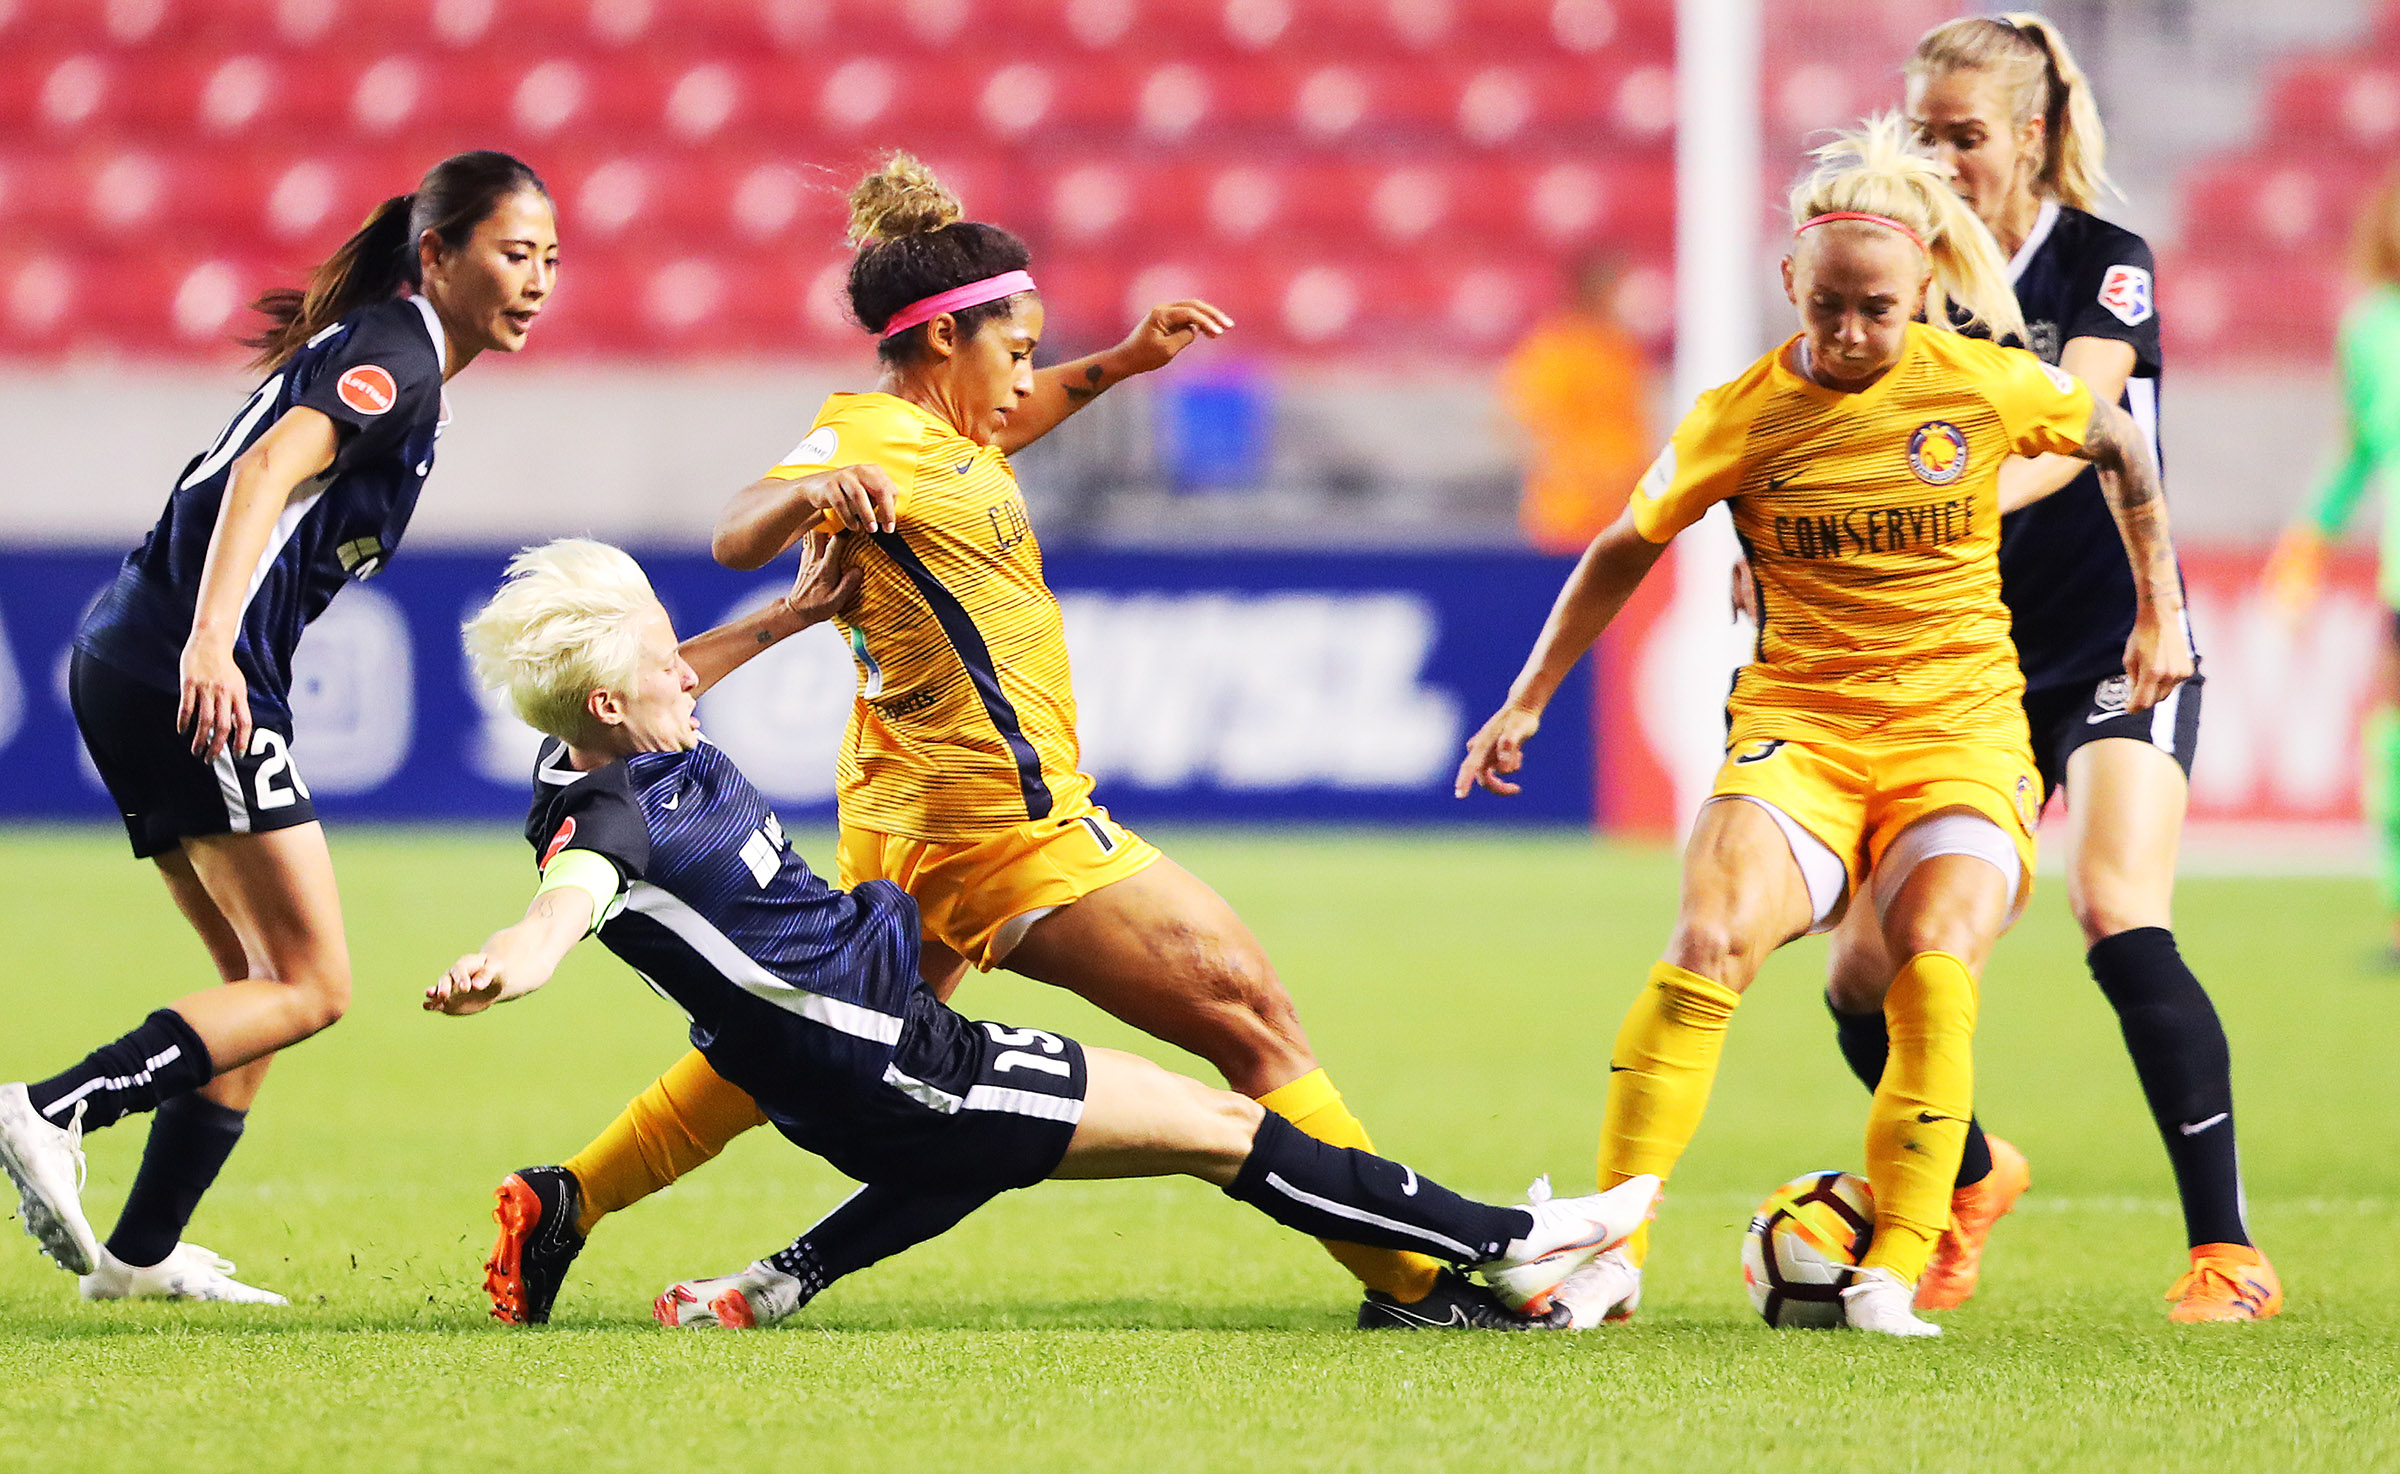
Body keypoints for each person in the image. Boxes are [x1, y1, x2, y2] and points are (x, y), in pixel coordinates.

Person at [479, 154, 1537, 1332]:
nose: (1026, 376)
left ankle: (573, 1196)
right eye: (1016, 349)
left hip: (911, 807)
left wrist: (1120, 365)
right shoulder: (865, 434)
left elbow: (997, 435)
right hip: (1002, 821)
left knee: (826, 1032)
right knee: (1247, 1011)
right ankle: (1413, 1284)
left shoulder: (950, 436)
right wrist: (813, 498)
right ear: (943, 345)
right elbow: (737, 535)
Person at [437, 539, 1658, 1329]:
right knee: (1221, 1128)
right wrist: (516, 959)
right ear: (612, 701)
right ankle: (1509, 1240)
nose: (687, 674)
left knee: (962, 1165)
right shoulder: (605, 813)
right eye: (665, 661)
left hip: (854, 1047)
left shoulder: (597, 737)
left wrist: (789, 620)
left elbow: (670, 692)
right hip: (894, 1059)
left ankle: (759, 1286)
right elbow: (572, 896)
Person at [1455, 114, 2190, 1337]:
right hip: (1802, 729)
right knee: (1708, 940)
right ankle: (1614, 1250)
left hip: (1959, 736)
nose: (1851, 333)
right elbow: (1620, 547)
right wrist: (1529, 696)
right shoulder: (1741, 413)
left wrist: (2158, 609)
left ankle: (1892, 1271)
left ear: (1926, 296)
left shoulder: (1986, 381)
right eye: (1830, 305)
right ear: (1792, 281)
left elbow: (2118, 440)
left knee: (1934, 963)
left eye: (1879, 310)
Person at [0, 152, 566, 1304]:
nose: (538, 279)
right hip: (186, 664)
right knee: (310, 983)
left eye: (552, 259)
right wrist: (212, 644)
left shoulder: (404, 363)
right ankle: (49, 1111)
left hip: (133, 654)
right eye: (515, 253)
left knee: (249, 987)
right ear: (438, 254)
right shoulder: (395, 358)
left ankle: (139, 1256)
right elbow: (265, 472)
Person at [1799, 13, 2276, 1325]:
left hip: (2125, 636)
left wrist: (1919, 491)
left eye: (1963, 136)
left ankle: (2227, 1252)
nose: (1939, 161)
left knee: (2118, 906)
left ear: (2031, 134)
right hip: (1970, 666)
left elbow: (2073, 434)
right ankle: (1969, 1172)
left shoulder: (2104, 264)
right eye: (1920, 135)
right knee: (1859, 978)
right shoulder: (1901, 285)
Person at [2267, 163, 2400, 967]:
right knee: (2388, 737)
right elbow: (2357, 449)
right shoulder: (2370, 326)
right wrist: (2307, 542)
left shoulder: (2371, 324)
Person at [1498, 249, 1657, 552]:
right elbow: (1518, 423)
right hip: (1570, 514)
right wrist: (1574, 472)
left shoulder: (1622, 351)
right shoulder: (1555, 350)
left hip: (1625, 510)